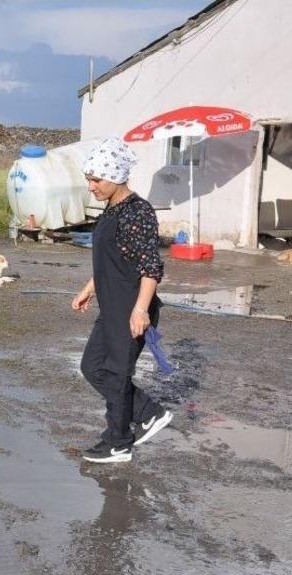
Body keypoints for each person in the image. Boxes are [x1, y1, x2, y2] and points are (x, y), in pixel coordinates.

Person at [72, 137, 172, 464]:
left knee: (116, 374)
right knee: (92, 366)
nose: (91, 186)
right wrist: (90, 288)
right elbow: (112, 259)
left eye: (97, 179)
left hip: (131, 307)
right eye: (89, 179)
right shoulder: (112, 208)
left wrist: (141, 309)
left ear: (116, 176)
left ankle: (118, 443)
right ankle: (148, 412)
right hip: (111, 305)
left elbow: (150, 268)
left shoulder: (138, 212)